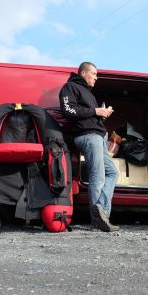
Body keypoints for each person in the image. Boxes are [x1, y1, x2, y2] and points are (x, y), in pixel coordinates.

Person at [59, 62, 119, 232]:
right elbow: (68, 110)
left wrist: (102, 114)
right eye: (93, 74)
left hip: (98, 136)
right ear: (84, 73)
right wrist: (95, 111)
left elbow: (89, 115)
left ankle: (101, 210)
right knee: (98, 176)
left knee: (113, 173)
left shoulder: (88, 93)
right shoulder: (69, 87)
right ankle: (99, 220)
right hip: (88, 136)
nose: (96, 77)